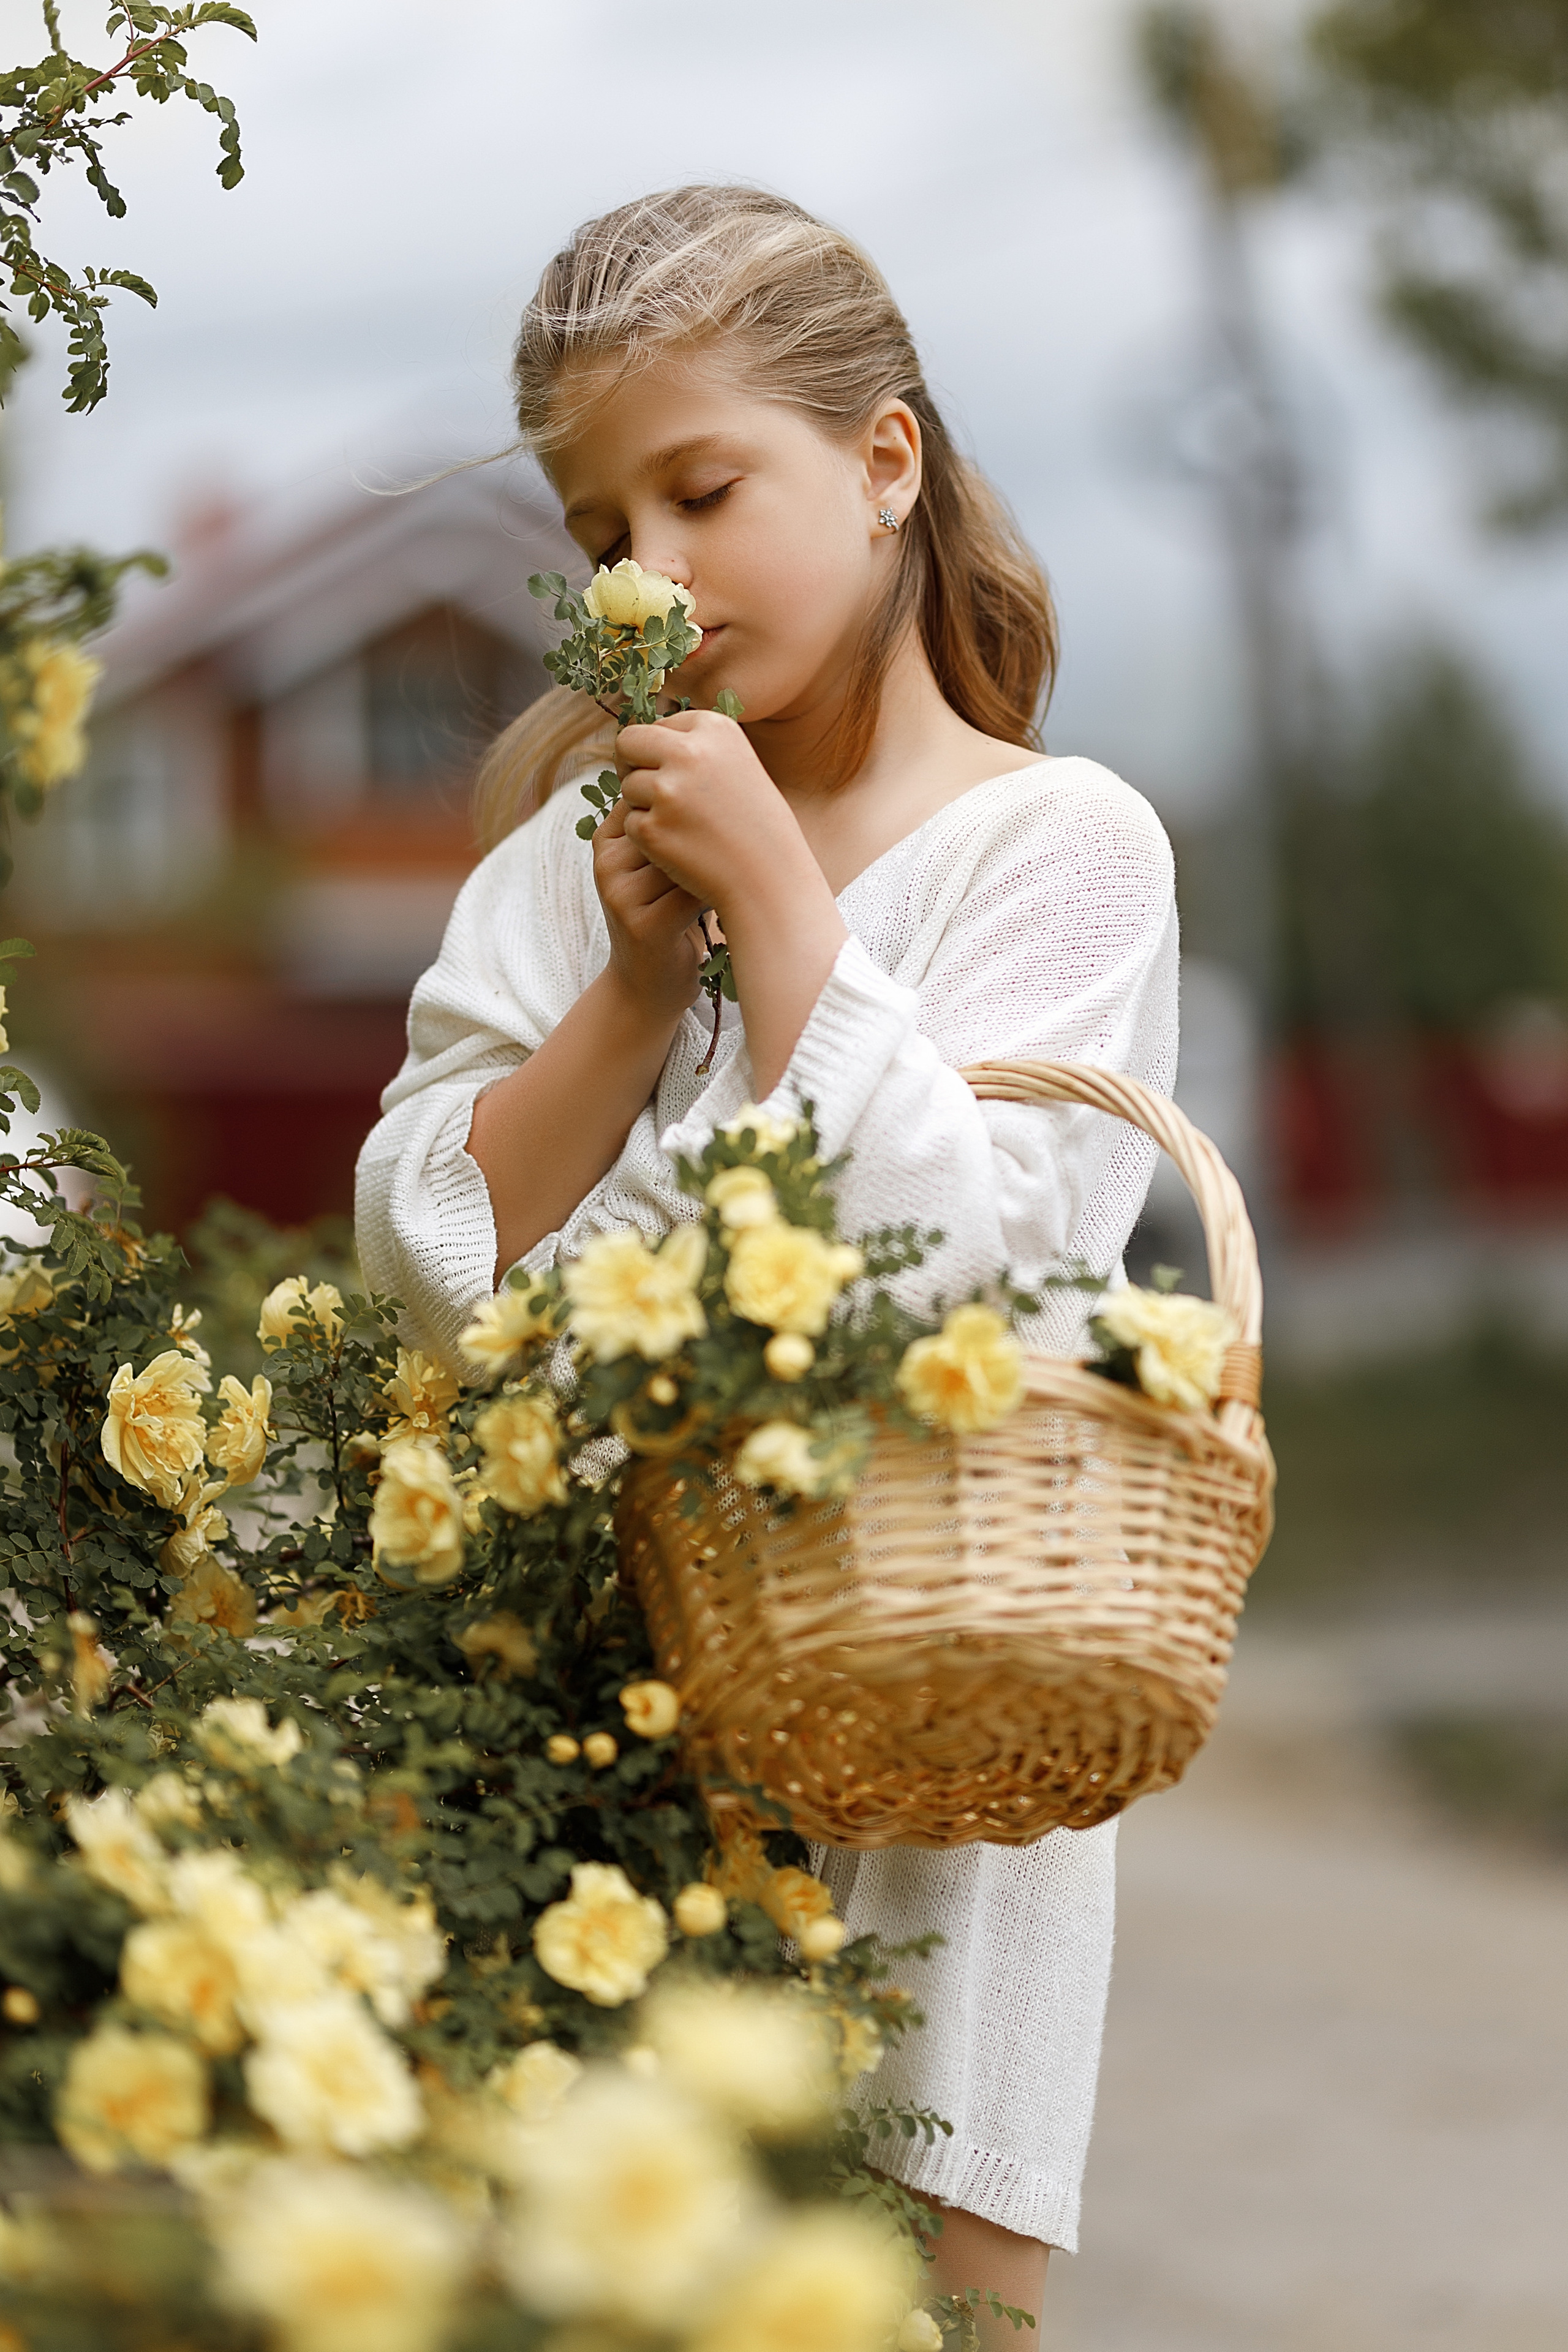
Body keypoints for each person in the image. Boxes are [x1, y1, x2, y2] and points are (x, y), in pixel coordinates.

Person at [356, 184, 1178, 2339]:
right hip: (571, 1753)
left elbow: (967, 1285)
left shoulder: (1059, 848)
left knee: (901, 2304)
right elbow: (437, 1269)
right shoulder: (565, 865)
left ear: (885, 462)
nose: (646, 574)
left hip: (922, 1794)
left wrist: (790, 930)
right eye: (596, 525)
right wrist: (634, 991)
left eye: (703, 488)